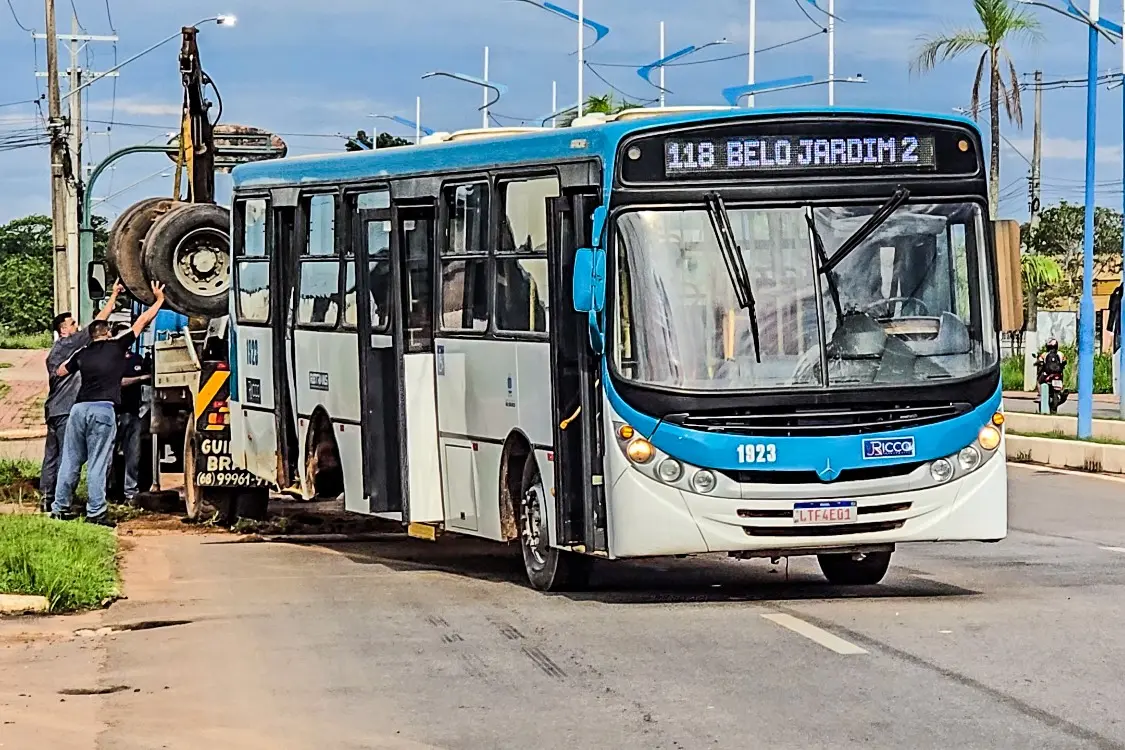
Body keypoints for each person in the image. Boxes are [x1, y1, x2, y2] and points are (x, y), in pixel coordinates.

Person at [52, 282, 166, 525]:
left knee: (70, 460)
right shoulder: (116, 347)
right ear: (108, 334)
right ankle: (96, 513)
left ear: (91, 336)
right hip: (103, 410)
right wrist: (158, 300)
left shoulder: (82, 353)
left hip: (78, 410)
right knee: (98, 461)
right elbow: (142, 321)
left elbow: (61, 371)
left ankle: (60, 508)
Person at [40, 282, 125, 512]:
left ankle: (48, 500)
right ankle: (74, 503)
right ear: (63, 330)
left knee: (53, 457)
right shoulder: (70, 344)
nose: (77, 327)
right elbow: (99, 323)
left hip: (54, 409)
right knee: (73, 458)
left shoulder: (54, 352)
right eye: (72, 324)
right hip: (68, 408)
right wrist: (114, 295)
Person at [111, 322, 151, 504]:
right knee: (108, 454)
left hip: (134, 413)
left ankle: (130, 493)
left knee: (133, 456)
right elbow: (119, 382)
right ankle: (108, 491)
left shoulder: (137, 359)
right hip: (114, 413)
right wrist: (141, 378)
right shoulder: (110, 359)